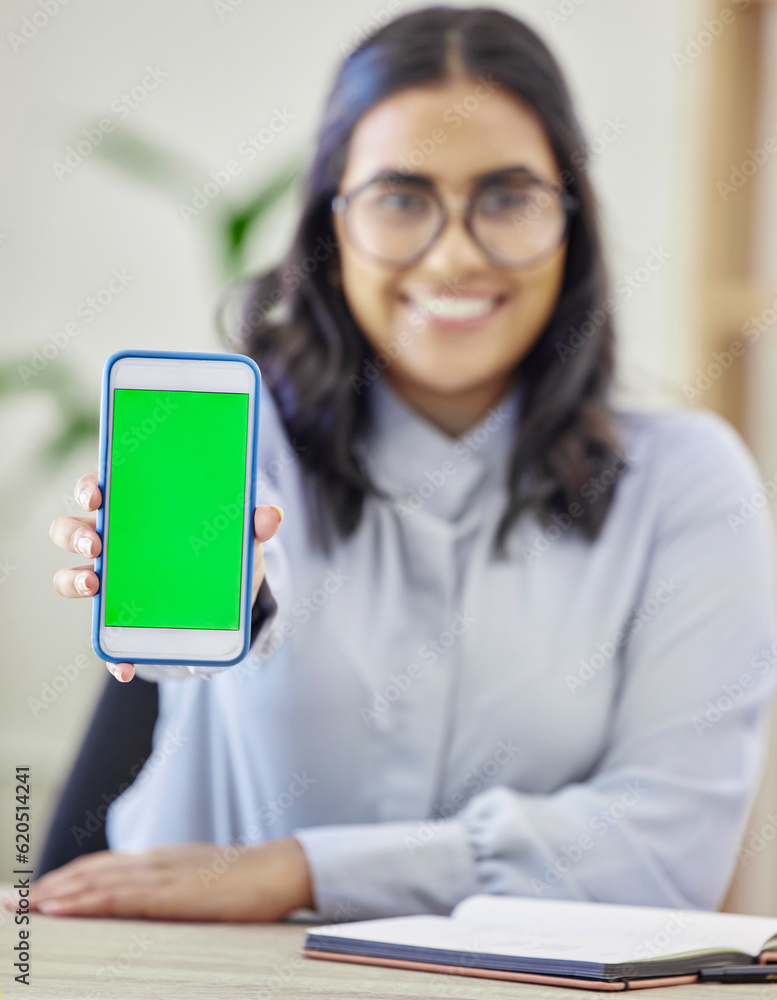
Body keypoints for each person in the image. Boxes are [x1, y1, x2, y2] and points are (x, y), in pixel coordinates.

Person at [12, 6, 777, 923]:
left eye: (505, 197)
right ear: (331, 224)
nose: (453, 253)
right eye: (401, 197)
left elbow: (665, 852)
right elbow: (261, 589)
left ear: (569, 221)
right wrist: (233, 597)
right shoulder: (242, 447)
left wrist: (303, 870)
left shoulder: (689, 484)